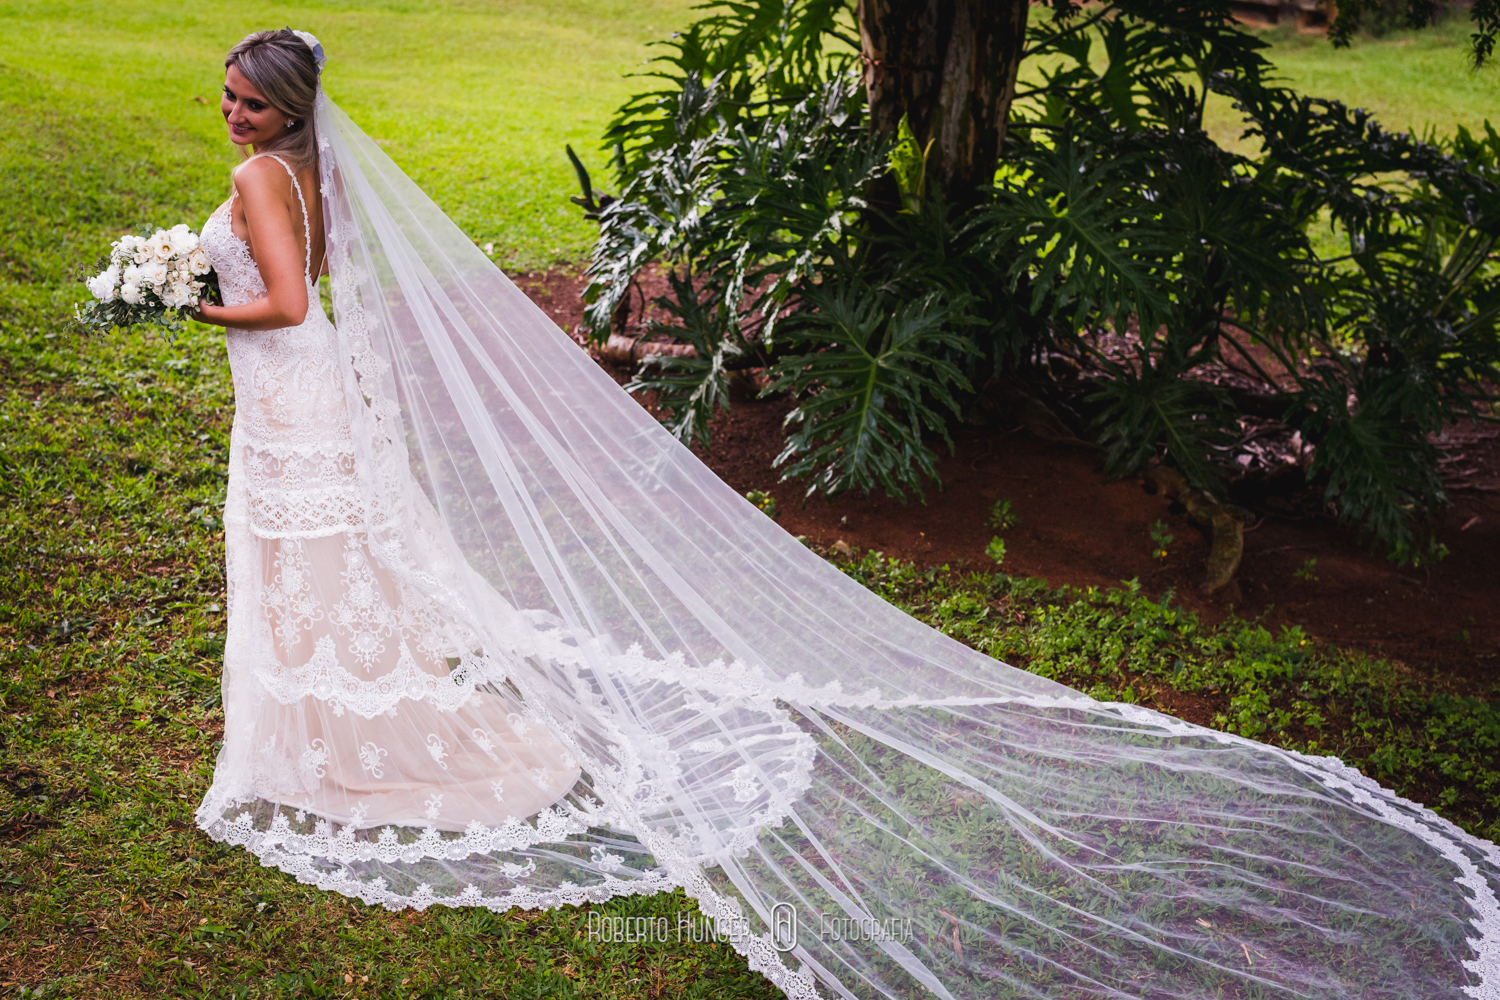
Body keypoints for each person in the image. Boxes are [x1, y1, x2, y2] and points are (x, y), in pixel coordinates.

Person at [190, 28, 1498, 1000]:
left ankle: (335, 735)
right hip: (316, 398)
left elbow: (292, 305)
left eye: (249, 99)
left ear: (283, 106)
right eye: (231, 98)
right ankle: (339, 712)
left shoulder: (262, 182)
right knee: (323, 555)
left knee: (306, 552)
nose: (233, 113)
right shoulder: (311, 168)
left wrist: (193, 303)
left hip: (294, 385)